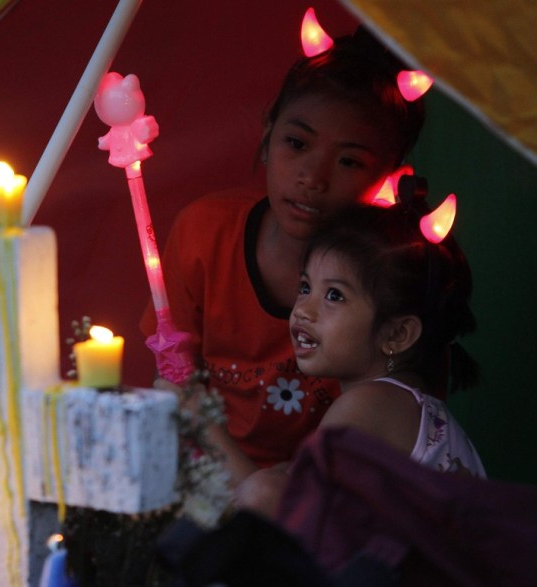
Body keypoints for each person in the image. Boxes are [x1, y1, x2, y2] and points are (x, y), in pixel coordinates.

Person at [140, 25, 426, 485]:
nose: (313, 177)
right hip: (203, 473)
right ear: (269, 132)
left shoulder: (394, 277)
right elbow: (175, 381)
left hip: (320, 492)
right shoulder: (203, 233)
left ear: (390, 177)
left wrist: (274, 497)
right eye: (297, 143)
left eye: (349, 161)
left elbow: (398, 432)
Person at [235, 192, 486, 517]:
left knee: (263, 490)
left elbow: (285, 516)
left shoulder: (367, 406)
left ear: (397, 334)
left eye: (335, 295)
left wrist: (201, 423)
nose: (304, 311)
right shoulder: (405, 404)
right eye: (306, 287)